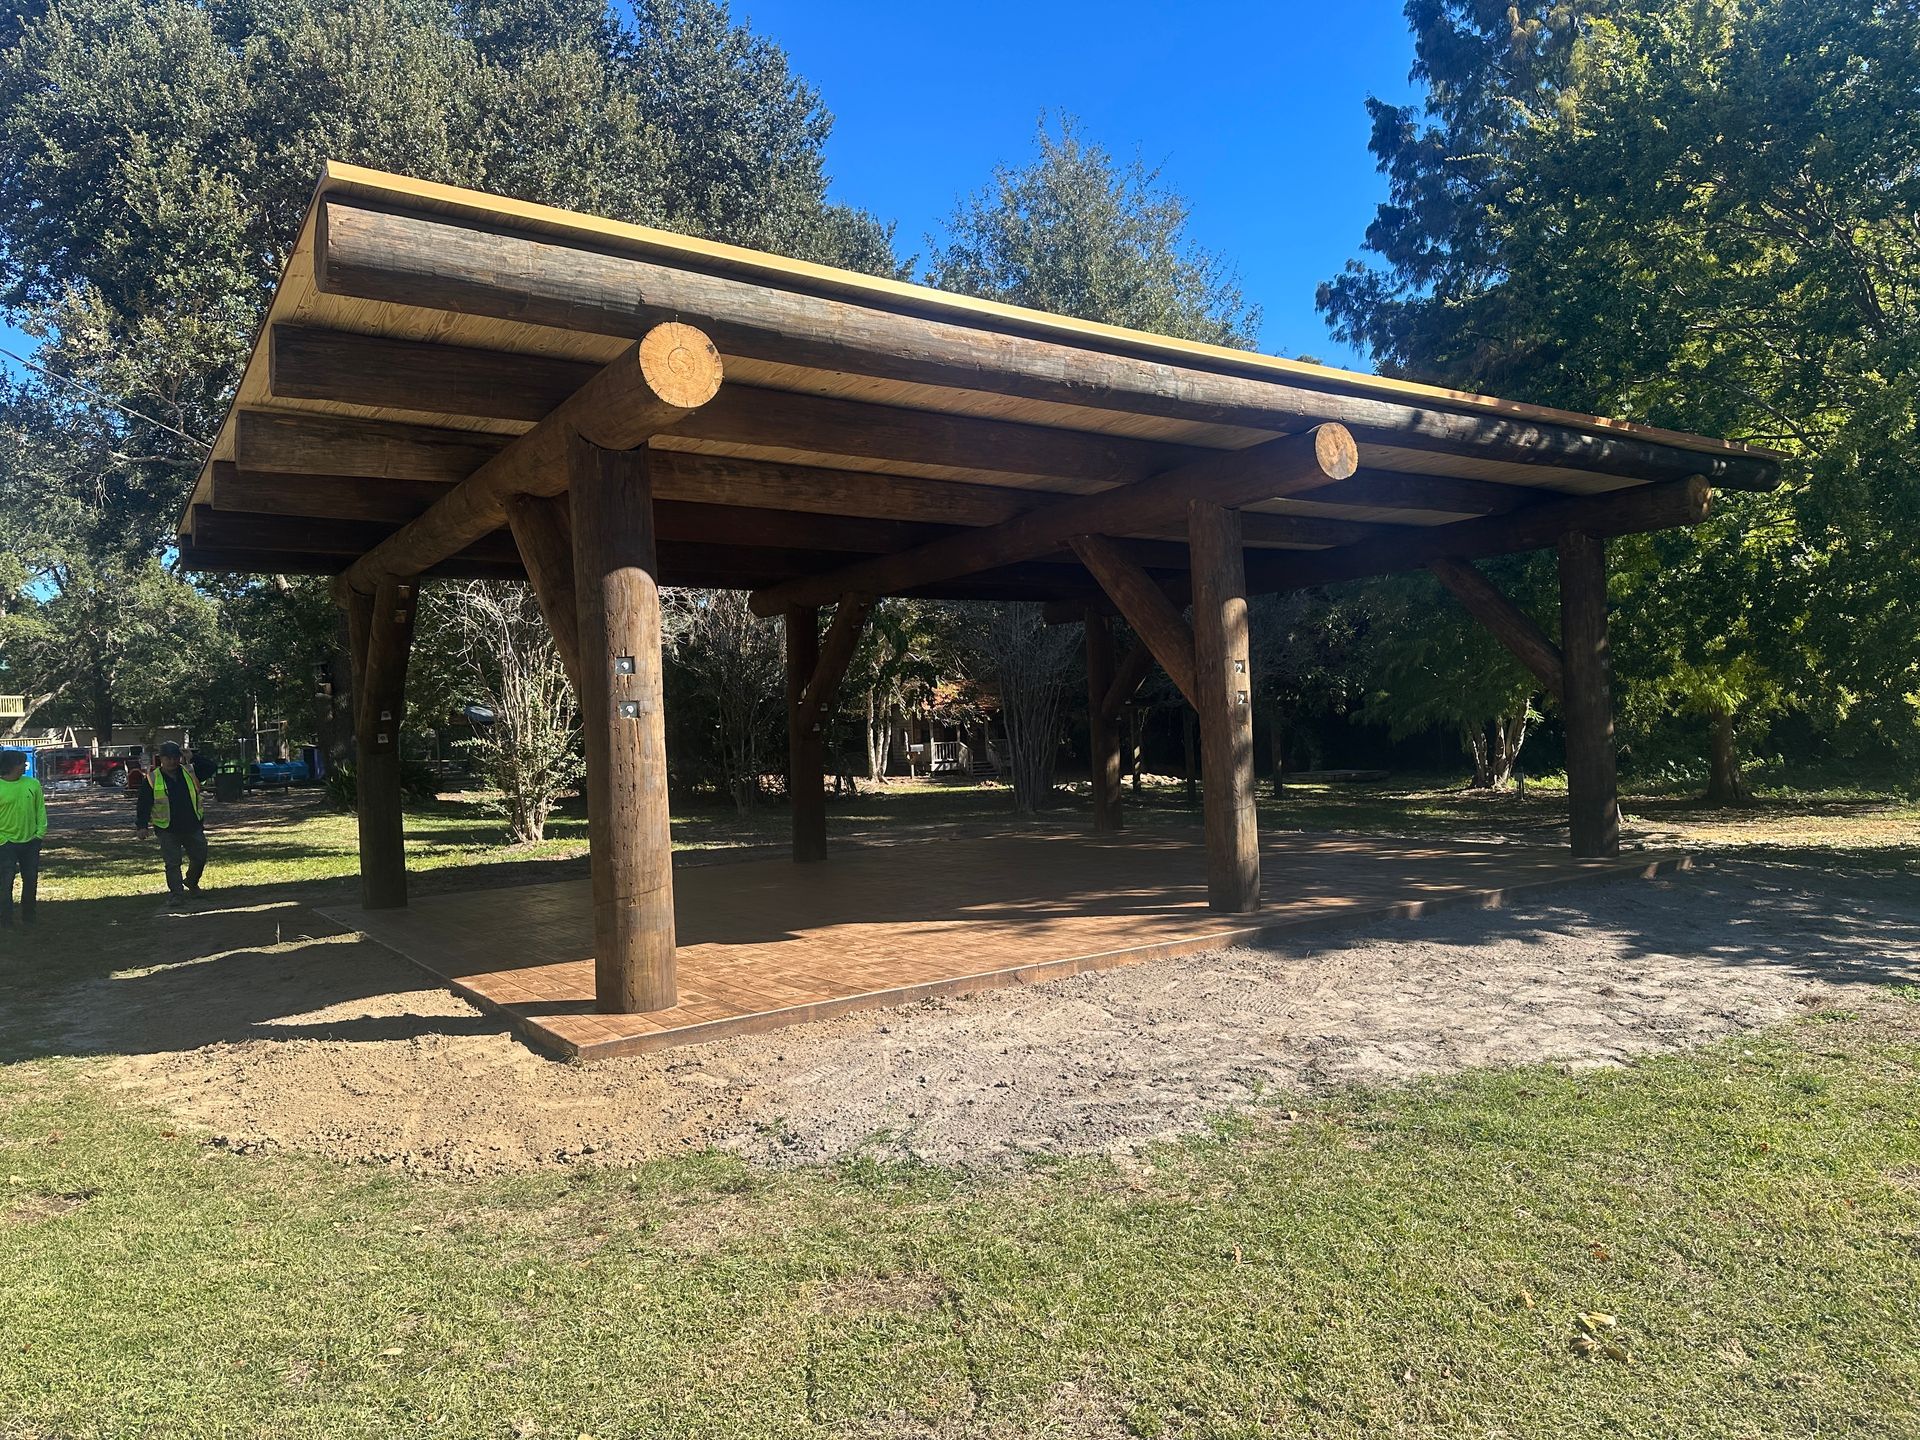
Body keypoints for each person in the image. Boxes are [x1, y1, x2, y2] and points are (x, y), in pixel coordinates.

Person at [136, 740, 209, 903]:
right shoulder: (152, 778)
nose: (172, 761)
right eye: (168, 757)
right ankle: (177, 894)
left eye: (175, 757)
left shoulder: (189, 771)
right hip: (167, 828)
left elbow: (211, 768)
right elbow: (143, 804)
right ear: (161, 758)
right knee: (172, 863)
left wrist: (193, 757)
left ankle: (191, 881)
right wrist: (142, 826)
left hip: (192, 825)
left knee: (200, 857)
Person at [0, 749, 47, 929]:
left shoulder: (33, 784)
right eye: (22, 763)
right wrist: (2, 839)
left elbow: (40, 810)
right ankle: (5, 921)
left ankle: (29, 918)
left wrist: (39, 834)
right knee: (5, 882)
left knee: (31, 880)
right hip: (6, 844)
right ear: (11, 766)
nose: (25, 766)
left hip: (30, 842)